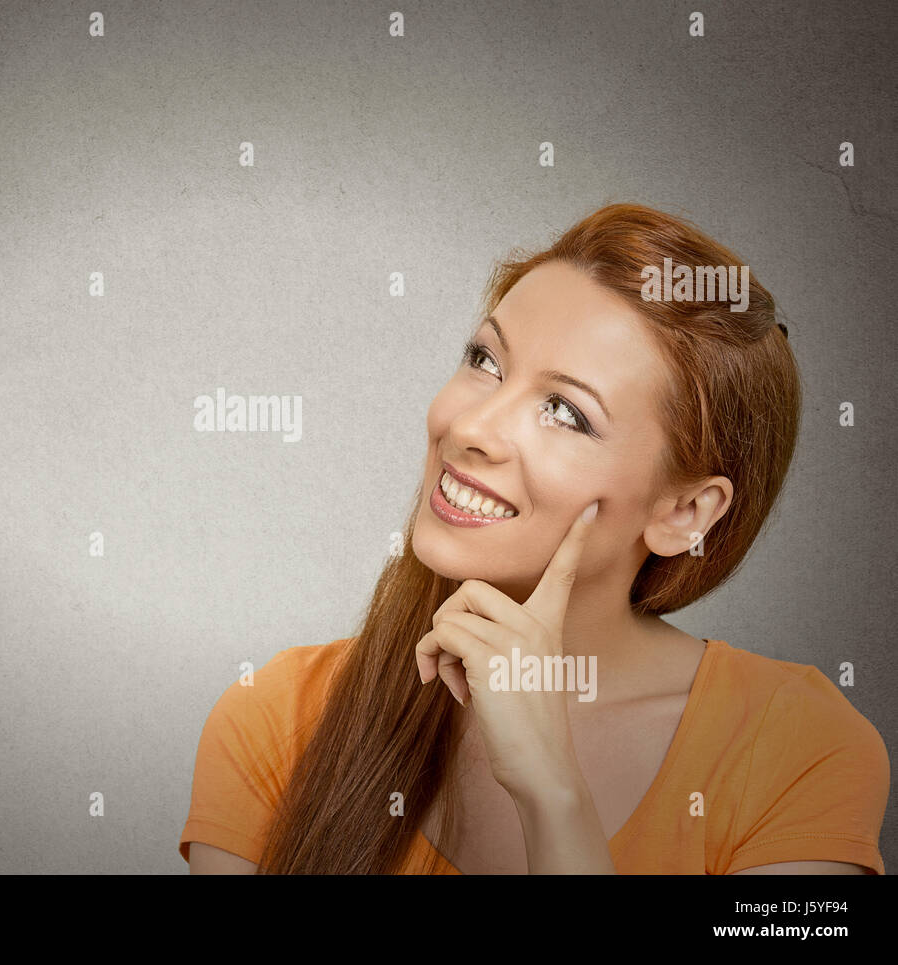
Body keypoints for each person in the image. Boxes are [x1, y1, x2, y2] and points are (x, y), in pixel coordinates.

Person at [178, 203, 889, 874]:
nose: (471, 428)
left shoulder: (800, 748)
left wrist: (552, 794)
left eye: (565, 412)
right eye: (486, 360)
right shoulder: (277, 717)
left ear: (685, 512)